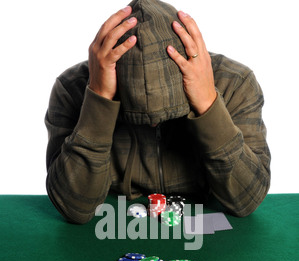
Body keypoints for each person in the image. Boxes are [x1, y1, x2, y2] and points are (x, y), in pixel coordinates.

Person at [45, 0, 271, 224]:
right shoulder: (72, 88)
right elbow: (73, 208)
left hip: (206, 230)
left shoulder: (236, 83)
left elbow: (246, 201)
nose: (153, 124)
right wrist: (99, 99)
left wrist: (208, 104)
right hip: (113, 226)